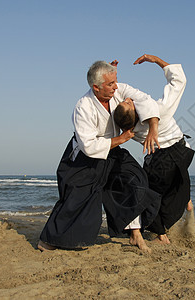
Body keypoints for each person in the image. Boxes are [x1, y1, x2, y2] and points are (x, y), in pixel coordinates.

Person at [38, 60, 162, 252]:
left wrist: (153, 127)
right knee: (78, 197)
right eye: (110, 84)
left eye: (116, 81)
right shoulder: (83, 107)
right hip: (86, 157)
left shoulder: (119, 91)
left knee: (135, 180)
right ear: (96, 87)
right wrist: (120, 139)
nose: (116, 87)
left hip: (113, 151)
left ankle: (134, 233)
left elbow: (146, 99)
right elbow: (88, 145)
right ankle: (49, 240)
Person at [114, 54, 195, 244]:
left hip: (161, 158)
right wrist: (157, 60)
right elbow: (179, 80)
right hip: (179, 152)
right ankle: (169, 222)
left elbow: (117, 99)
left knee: (153, 191)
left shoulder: (130, 130)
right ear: (134, 112)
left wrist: (114, 78)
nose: (129, 99)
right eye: (128, 103)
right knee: (164, 189)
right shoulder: (160, 110)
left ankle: (163, 229)